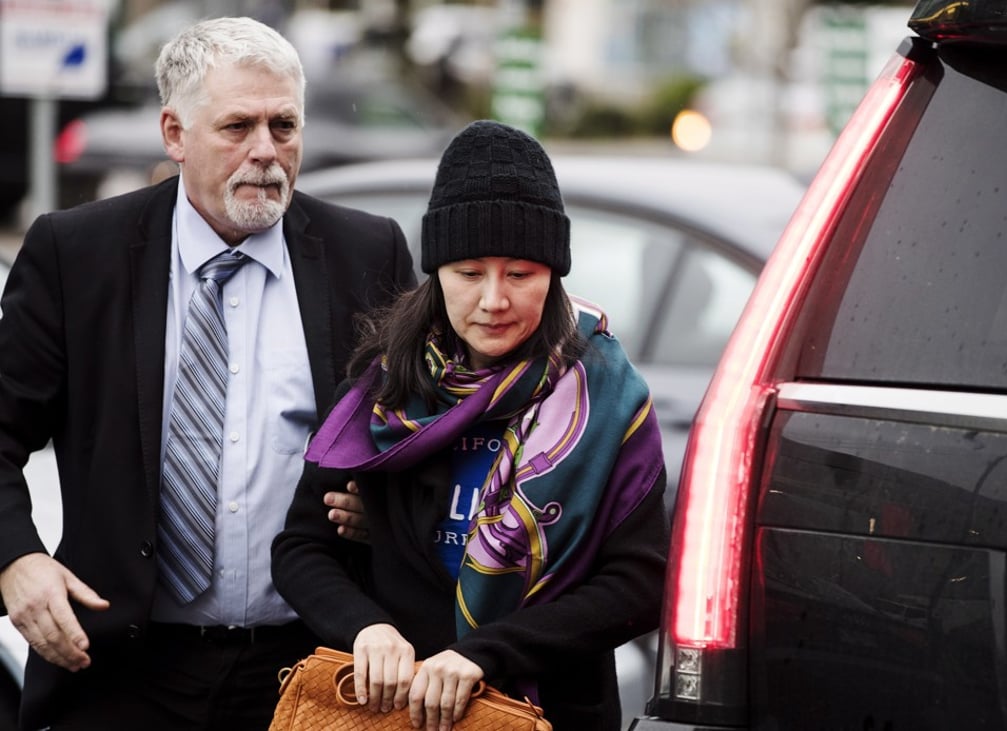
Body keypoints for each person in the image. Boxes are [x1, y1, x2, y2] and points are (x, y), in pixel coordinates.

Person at [0, 16, 415, 731]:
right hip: (122, 668)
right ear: (174, 133)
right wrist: (15, 560)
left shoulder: (365, 253)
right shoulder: (79, 254)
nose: (266, 153)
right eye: (237, 127)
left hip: (307, 668)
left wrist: (389, 514)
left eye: (284, 125)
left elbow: (423, 435)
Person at [271, 120, 669, 731]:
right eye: (468, 272)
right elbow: (302, 547)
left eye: (520, 273)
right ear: (436, 273)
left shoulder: (606, 398)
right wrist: (367, 628)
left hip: (546, 710)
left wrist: (484, 654)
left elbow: (638, 584)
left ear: (554, 274)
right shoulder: (385, 389)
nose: (493, 300)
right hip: (392, 713)